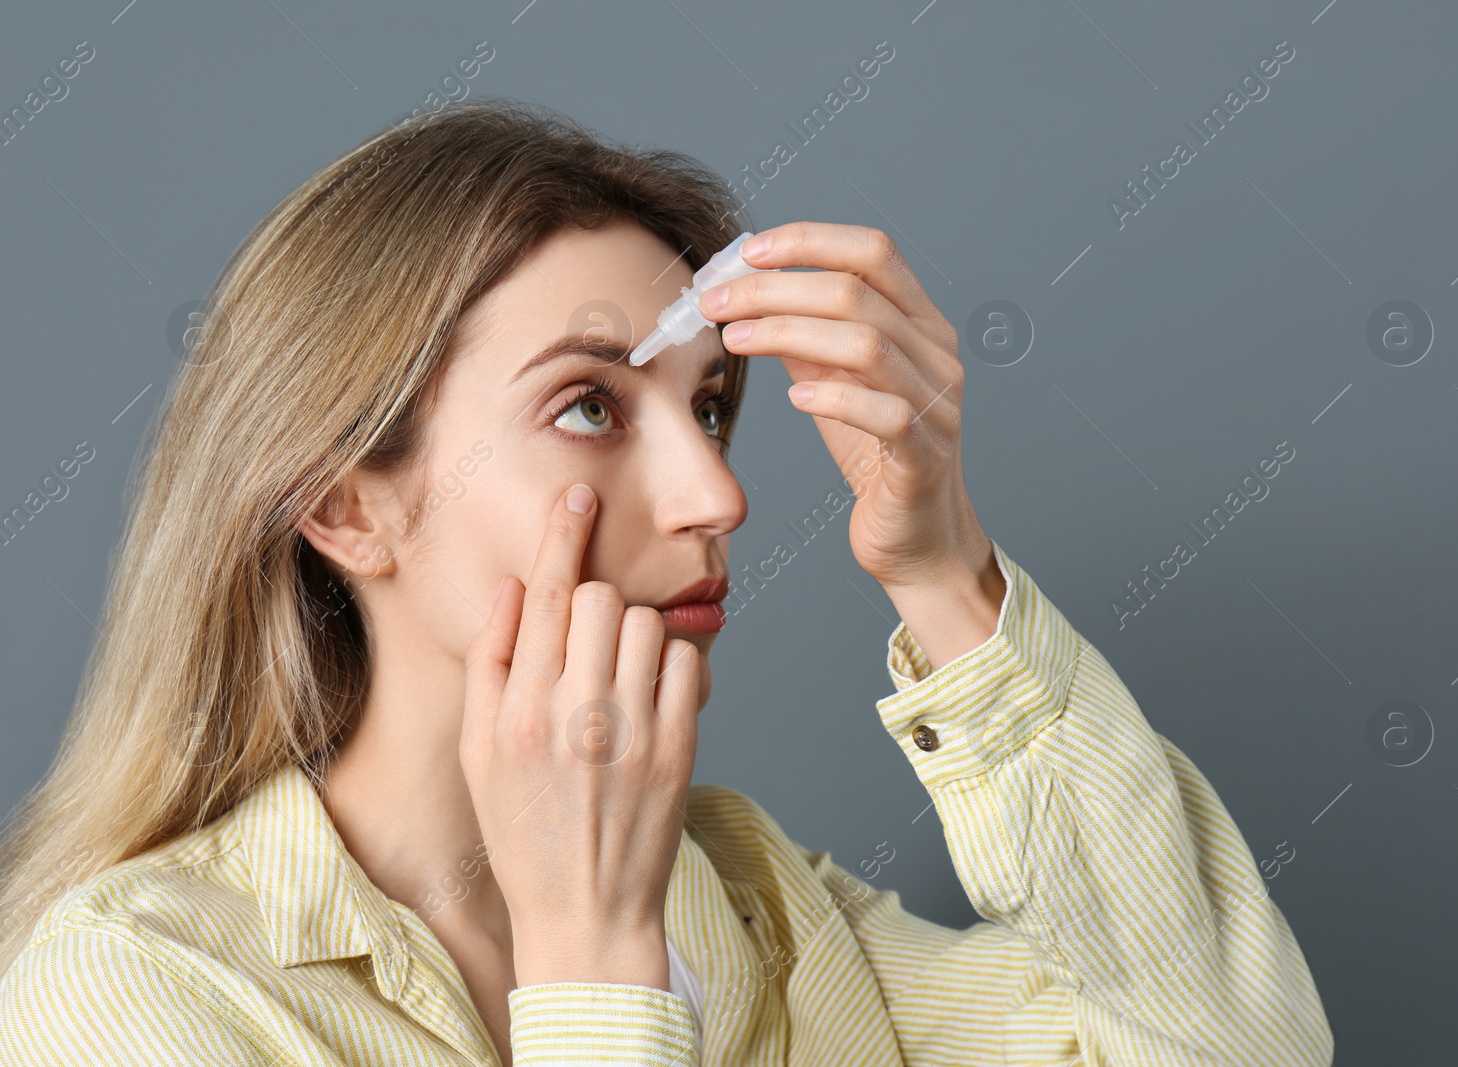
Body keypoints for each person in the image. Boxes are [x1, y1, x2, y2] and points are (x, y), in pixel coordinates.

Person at [0, 98, 1334, 1066]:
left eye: (707, 407)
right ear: (349, 505)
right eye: (587, 405)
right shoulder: (136, 986)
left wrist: (940, 568)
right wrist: (590, 961)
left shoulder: (753, 894)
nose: (718, 496)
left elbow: (1226, 1048)